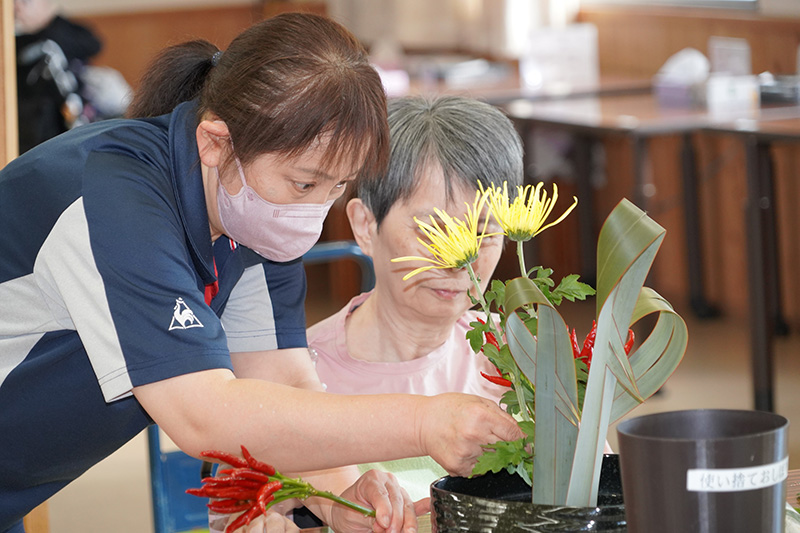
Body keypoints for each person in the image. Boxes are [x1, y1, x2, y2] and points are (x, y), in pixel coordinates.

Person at [0, 12, 523, 533]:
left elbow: (280, 379)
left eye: (337, 187)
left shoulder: (248, 214)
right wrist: (424, 422)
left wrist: (339, 493)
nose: (315, 215)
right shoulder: (113, 201)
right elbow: (205, 414)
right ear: (216, 143)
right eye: (304, 184)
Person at [306, 95, 525, 502]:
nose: (459, 258)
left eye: (483, 229)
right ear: (365, 225)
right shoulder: (298, 376)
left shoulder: (520, 355)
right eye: (433, 230)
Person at [14, 0, 103, 153]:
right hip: (27, 129)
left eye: (25, 2)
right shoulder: (14, 43)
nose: (17, 8)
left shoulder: (65, 32)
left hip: (66, 124)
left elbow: (94, 45)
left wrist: (49, 22)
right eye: (13, 4)